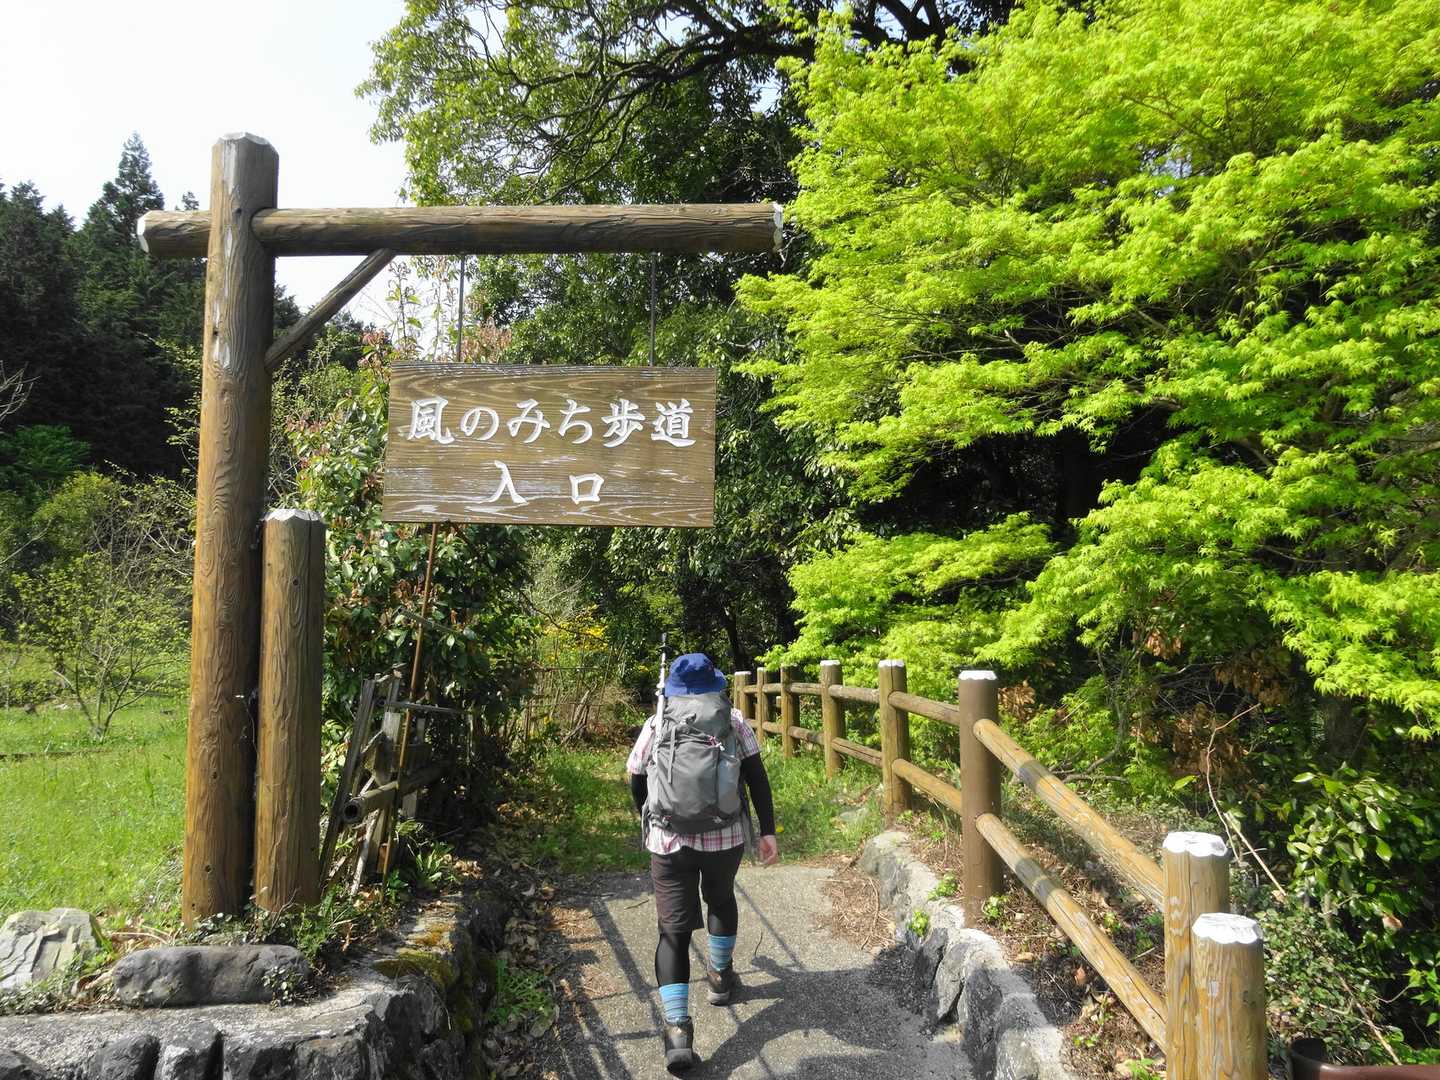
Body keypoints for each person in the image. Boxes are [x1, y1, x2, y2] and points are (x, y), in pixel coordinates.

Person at [626, 652, 778, 1072]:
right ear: (716, 684)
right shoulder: (733, 721)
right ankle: (720, 978)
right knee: (721, 899)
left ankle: (677, 1031)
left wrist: (648, 817)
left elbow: (636, 776)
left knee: (673, 932)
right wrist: (767, 831)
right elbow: (757, 778)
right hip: (724, 836)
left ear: (673, 689)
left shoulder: (657, 723)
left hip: (668, 840)